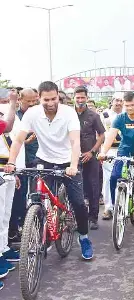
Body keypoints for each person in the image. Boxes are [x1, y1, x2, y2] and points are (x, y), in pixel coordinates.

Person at [6, 81, 94, 260]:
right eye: (46, 99)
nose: (51, 102)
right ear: (39, 98)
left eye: (54, 98)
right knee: (37, 198)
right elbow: (18, 140)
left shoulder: (68, 113)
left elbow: (75, 142)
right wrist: (11, 162)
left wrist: (74, 166)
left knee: (77, 202)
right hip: (44, 160)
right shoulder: (32, 113)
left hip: (68, 162)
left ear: (58, 97)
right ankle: (41, 233)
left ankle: (84, 237)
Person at [98, 91, 134, 211]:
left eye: (132, 105)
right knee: (114, 177)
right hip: (124, 151)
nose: (129, 108)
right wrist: (103, 152)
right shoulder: (120, 118)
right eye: (127, 105)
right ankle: (115, 206)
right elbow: (110, 136)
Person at [0, 89, 23, 288]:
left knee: (4, 214)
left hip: (4, 169)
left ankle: (3, 248)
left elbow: (6, 127)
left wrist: (13, 102)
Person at [8, 88, 38, 244]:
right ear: (20, 99)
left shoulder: (40, 114)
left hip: (36, 162)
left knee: (33, 197)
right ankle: (14, 231)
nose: (32, 104)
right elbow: (12, 141)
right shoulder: (14, 117)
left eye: (35, 100)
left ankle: (30, 226)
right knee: (16, 201)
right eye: (29, 101)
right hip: (16, 166)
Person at [74, 86, 105, 230]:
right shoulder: (68, 115)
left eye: (82, 98)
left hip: (90, 157)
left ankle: (93, 218)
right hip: (73, 157)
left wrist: (92, 152)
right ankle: (77, 219)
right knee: (76, 189)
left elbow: (102, 136)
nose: (80, 100)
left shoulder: (94, 116)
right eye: (77, 97)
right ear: (74, 97)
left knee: (93, 188)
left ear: (87, 98)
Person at [100, 93, 123, 219]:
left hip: (124, 150)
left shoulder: (128, 115)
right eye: (116, 100)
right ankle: (108, 207)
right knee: (108, 179)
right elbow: (100, 134)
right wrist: (101, 151)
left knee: (124, 178)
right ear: (112, 101)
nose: (118, 103)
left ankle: (122, 206)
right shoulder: (105, 115)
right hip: (109, 151)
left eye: (121, 100)